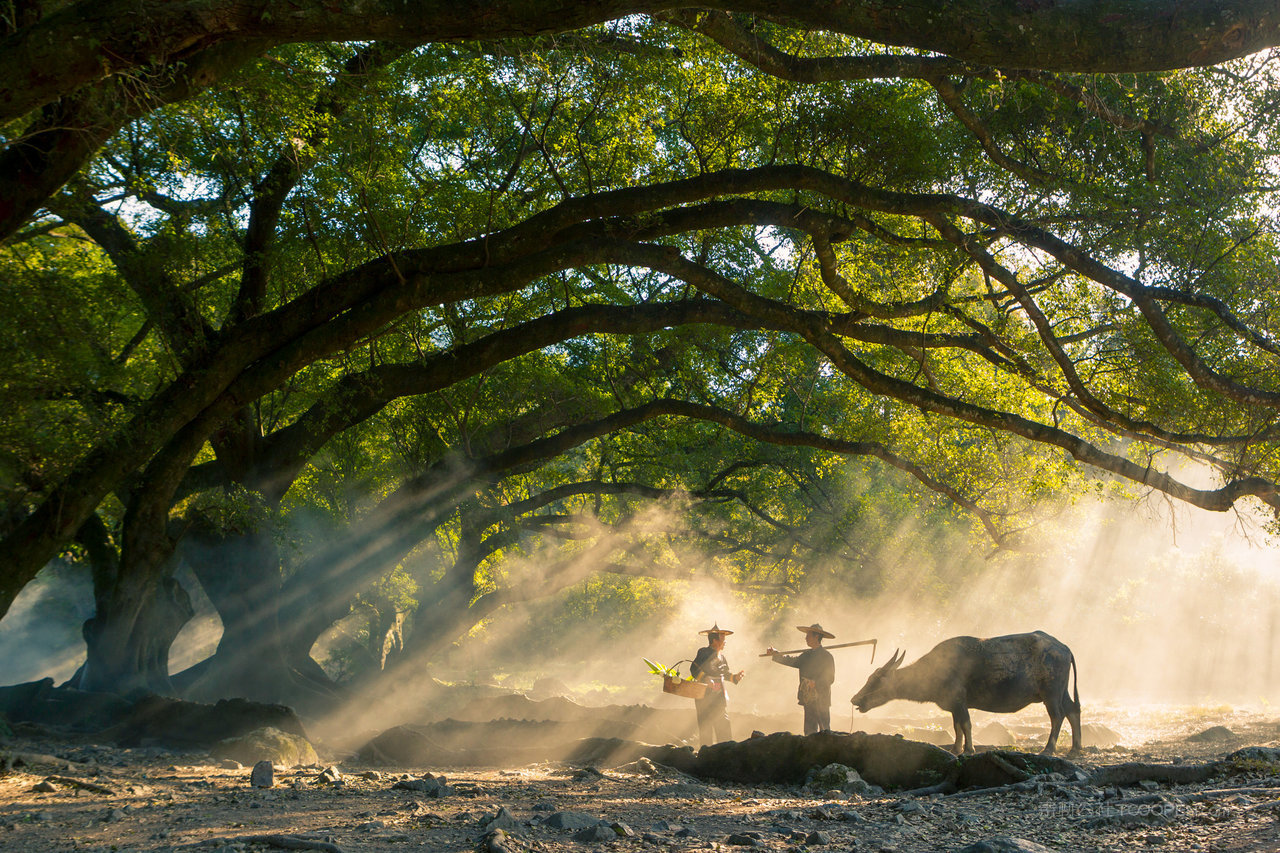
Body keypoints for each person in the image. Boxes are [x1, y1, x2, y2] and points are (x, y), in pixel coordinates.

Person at [766, 623, 836, 734]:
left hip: (822, 699)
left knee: (825, 731)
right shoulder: (806, 655)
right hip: (808, 699)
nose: (806, 638)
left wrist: (816, 683)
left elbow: (830, 678)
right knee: (809, 732)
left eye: (808, 635)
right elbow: (791, 661)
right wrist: (775, 654)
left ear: (816, 637)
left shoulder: (827, 657)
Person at [690, 623, 744, 745]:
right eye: (723, 638)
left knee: (723, 725)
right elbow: (694, 669)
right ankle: (706, 754)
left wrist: (735, 677)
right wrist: (705, 678)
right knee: (706, 726)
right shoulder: (703, 652)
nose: (725, 641)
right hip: (704, 697)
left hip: (718, 697)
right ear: (714, 640)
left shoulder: (722, 657)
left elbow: (725, 674)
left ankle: (724, 751)